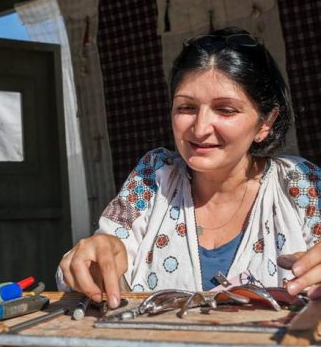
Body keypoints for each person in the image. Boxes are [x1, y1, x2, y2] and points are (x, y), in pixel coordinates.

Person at [58, 27, 321, 309]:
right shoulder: (154, 177)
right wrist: (93, 259)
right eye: (187, 108)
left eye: (226, 110)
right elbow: (103, 257)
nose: (200, 128)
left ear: (265, 123)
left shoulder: (301, 185)